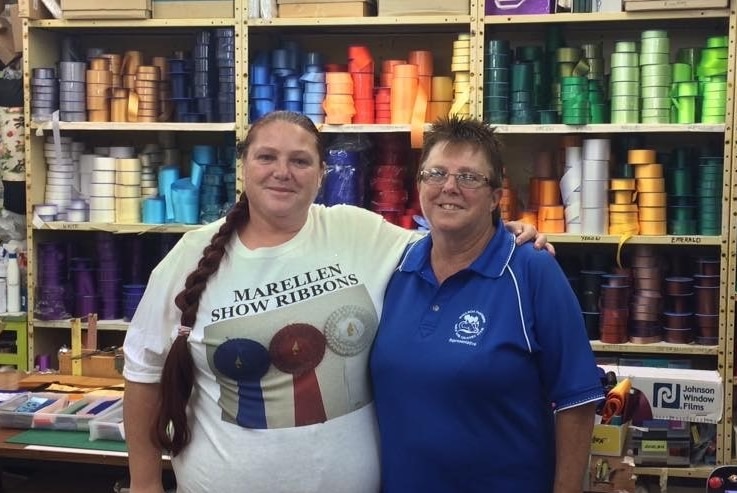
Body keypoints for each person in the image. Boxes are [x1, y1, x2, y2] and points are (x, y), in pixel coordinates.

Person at [122, 111, 548, 493]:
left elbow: (448, 245)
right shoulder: (189, 257)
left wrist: (501, 231)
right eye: (266, 157)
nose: (282, 172)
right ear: (244, 166)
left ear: (321, 173)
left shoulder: (356, 232)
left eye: (300, 160)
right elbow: (143, 373)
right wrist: (145, 484)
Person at [369, 116, 604, 493]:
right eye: (436, 173)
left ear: (496, 195)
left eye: (469, 177)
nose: (449, 187)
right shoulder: (394, 265)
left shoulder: (532, 270)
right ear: (419, 184)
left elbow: (577, 400)